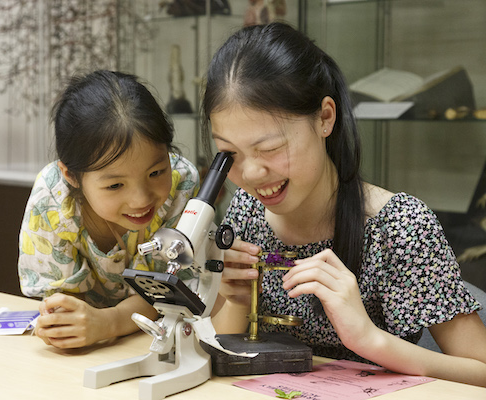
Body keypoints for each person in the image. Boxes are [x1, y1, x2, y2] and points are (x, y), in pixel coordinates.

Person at [203, 23, 486, 386]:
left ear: (325, 118)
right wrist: (236, 299)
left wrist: (369, 338)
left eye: (270, 148)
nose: (252, 173)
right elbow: (230, 353)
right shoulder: (247, 209)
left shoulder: (399, 227)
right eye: (229, 154)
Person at [18, 70, 199, 349]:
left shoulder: (181, 184)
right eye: (115, 185)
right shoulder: (51, 199)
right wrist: (78, 324)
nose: (141, 200)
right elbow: (62, 307)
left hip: (161, 342)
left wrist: (109, 323)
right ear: (71, 176)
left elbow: (178, 291)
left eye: (156, 172)